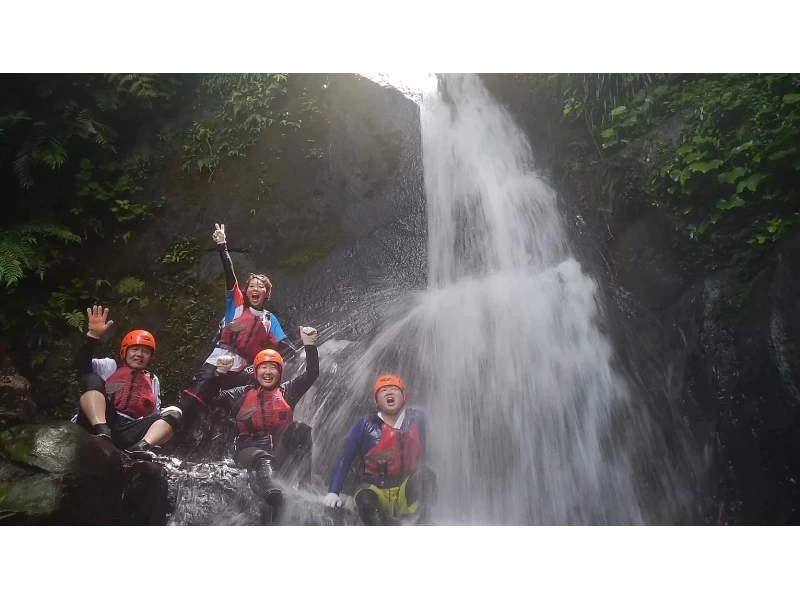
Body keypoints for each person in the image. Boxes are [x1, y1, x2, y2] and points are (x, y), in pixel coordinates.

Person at [179, 223, 290, 425]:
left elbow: (284, 344)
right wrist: (222, 246)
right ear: (246, 291)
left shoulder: (269, 319)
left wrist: (305, 352)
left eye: (261, 287)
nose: (255, 289)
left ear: (267, 294)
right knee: (193, 399)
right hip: (219, 359)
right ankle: (176, 426)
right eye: (252, 286)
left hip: (242, 368)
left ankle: (238, 424)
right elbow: (230, 274)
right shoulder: (237, 303)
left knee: (257, 382)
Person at [216, 326, 319, 519]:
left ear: (280, 372)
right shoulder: (240, 393)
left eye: (273, 367)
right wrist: (219, 374)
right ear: (255, 371)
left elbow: (311, 374)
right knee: (262, 458)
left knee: (301, 429)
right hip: (248, 452)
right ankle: (272, 491)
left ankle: (305, 484)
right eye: (263, 367)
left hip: (279, 451)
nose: (268, 372)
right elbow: (211, 398)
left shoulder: (288, 391)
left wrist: (310, 345)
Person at [322, 374, 436, 525]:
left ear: (404, 396)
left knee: (427, 475)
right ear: (376, 401)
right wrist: (333, 491)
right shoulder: (364, 425)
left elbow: (425, 452)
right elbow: (345, 458)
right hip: (375, 489)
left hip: (404, 489)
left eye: (394, 389)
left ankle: (421, 518)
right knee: (365, 499)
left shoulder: (418, 419)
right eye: (383, 391)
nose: (389, 392)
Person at [73, 305, 183, 458]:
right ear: (125, 351)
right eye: (135, 349)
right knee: (92, 379)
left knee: (174, 412)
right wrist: (92, 336)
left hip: (128, 431)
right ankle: (102, 432)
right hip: (101, 423)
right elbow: (81, 366)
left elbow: (155, 416)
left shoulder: (153, 381)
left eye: (145, 352)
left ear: (151, 358)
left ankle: (140, 447)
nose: (139, 354)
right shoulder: (110, 366)